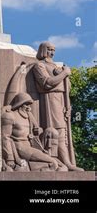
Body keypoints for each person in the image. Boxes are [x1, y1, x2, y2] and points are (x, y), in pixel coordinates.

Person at [32, 42, 83, 171]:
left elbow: (67, 88)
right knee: (56, 131)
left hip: (61, 100)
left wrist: (68, 106)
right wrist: (64, 74)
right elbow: (47, 83)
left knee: (63, 132)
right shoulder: (39, 65)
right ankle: (62, 163)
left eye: (53, 50)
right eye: (49, 50)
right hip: (50, 99)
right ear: (43, 50)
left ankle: (66, 162)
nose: (52, 52)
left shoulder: (56, 66)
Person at [1, 93, 63, 172]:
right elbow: (5, 137)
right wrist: (10, 158)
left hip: (31, 146)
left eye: (30, 105)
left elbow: (36, 130)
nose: (29, 108)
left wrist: (38, 130)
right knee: (53, 163)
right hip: (20, 147)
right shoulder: (9, 116)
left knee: (52, 132)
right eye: (26, 104)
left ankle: (35, 167)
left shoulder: (29, 116)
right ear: (20, 104)